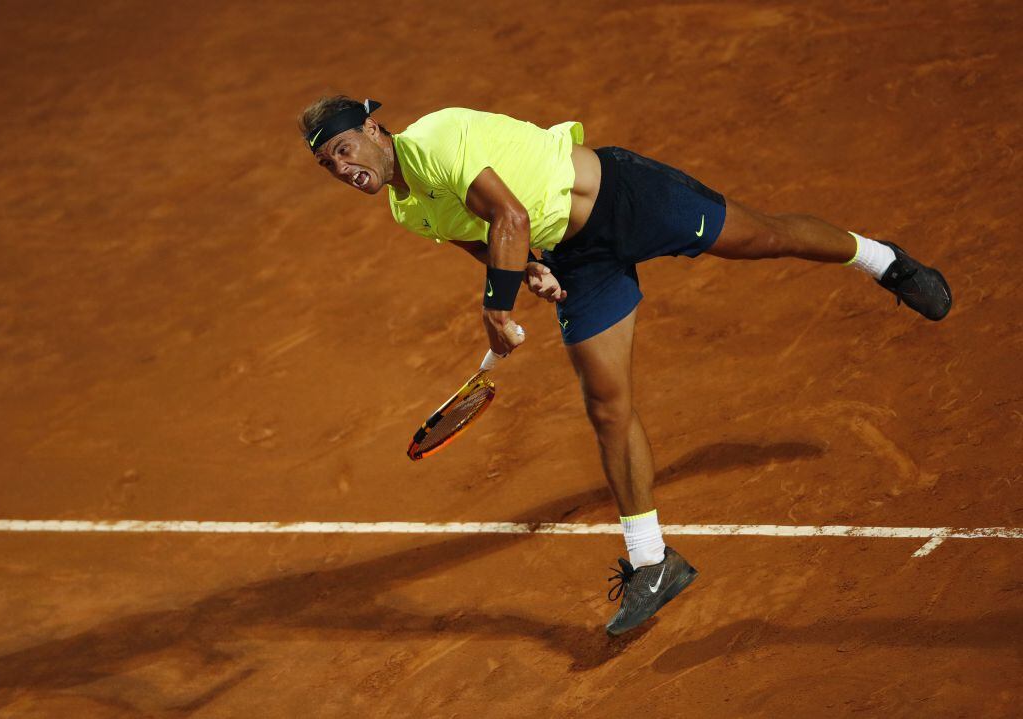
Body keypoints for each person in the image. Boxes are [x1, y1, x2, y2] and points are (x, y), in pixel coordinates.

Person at [297, 96, 951, 637]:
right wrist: (529, 269)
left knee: (763, 237)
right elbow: (481, 235)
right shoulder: (404, 207)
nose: (343, 167)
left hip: (624, 198)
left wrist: (497, 307)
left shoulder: (437, 137)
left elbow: (509, 212)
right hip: (578, 261)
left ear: (375, 129)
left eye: (346, 149)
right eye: (330, 165)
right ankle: (654, 560)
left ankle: (879, 259)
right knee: (607, 405)